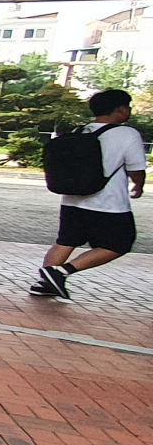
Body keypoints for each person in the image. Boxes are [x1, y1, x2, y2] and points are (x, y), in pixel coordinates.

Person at [33, 88, 145, 299]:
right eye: (127, 107)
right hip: (109, 204)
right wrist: (138, 186)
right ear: (120, 110)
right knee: (119, 243)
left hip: (72, 200)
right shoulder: (127, 134)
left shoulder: (80, 132)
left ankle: (44, 283)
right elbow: (136, 168)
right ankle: (61, 272)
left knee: (66, 241)